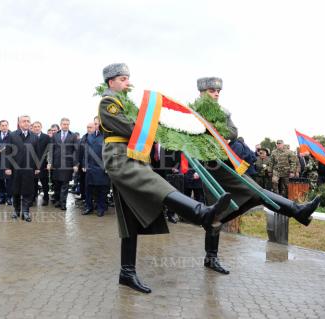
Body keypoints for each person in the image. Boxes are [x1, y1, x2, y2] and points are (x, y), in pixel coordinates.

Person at [99, 63, 231, 293]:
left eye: (127, 78)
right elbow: (132, 128)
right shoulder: (108, 102)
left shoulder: (127, 103)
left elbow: (141, 126)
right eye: (122, 79)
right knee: (156, 184)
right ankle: (202, 213)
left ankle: (126, 273)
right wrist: (157, 126)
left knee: (129, 219)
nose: (127, 82)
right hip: (119, 158)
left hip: (134, 157)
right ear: (111, 82)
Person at [195, 77, 320, 275]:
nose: (217, 94)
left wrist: (220, 124)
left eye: (218, 90)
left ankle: (298, 211)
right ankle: (211, 258)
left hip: (226, 165)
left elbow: (233, 133)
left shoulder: (223, 112)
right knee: (218, 212)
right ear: (201, 92)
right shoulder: (192, 112)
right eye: (212, 90)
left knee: (255, 194)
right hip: (210, 167)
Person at [4, 115, 39, 222]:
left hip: (29, 169)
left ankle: (26, 211)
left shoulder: (34, 136)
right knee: (15, 190)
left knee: (28, 191)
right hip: (15, 168)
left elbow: (37, 154)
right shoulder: (12, 135)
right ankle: (16, 210)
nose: (26, 123)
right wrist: (7, 167)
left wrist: (37, 167)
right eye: (24, 121)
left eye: (28, 121)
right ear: (19, 123)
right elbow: (8, 152)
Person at [47, 118, 79, 211]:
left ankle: (63, 203)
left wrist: (75, 164)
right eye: (64, 124)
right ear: (61, 124)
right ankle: (57, 201)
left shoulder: (73, 136)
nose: (66, 126)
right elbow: (51, 150)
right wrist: (50, 162)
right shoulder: (55, 135)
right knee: (57, 184)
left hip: (67, 165)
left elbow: (76, 151)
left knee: (65, 185)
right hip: (56, 164)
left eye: (67, 124)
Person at [82, 121, 110, 216]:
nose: (89, 129)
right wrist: (84, 164)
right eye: (95, 123)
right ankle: (88, 207)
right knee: (88, 189)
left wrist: (108, 166)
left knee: (101, 190)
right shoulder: (88, 136)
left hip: (102, 167)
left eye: (97, 124)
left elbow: (110, 152)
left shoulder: (106, 136)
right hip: (90, 167)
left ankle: (100, 208)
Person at [32, 121, 51, 206]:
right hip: (32, 164)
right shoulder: (29, 137)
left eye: (38, 126)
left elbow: (49, 151)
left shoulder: (46, 137)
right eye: (35, 126)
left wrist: (49, 162)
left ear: (41, 127)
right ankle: (33, 198)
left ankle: (46, 198)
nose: (36, 128)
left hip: (43, 163)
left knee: (44, 182)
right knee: (33, 183)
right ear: (32, 128)